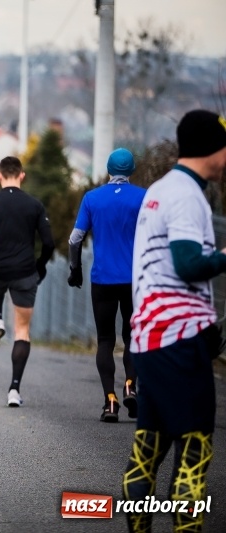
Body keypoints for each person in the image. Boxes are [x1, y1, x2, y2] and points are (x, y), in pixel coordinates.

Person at [121, 110, 226, 533]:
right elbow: (186, 263)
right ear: (213, 149)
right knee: (195, 449)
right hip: (178, 337)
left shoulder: (161, 190)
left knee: (151, 443)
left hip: (151, 338)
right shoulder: (186, 195)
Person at [0, 156, 54, 407]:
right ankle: (14, 389)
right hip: (25, 271)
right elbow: (48, 243)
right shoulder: (34, 205)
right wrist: (40, 265)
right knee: (23, 331)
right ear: (22, 175)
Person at [68, 148, 145, 422]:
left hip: (103, 279)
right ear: (132, 169)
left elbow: (75, 239)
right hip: (135, 280)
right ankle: (130, 386)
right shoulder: (143, 197)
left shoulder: (92, 198)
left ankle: (109, 402)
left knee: (105, 340)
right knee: (133, 335)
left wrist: (75, 269)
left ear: (108, 170)